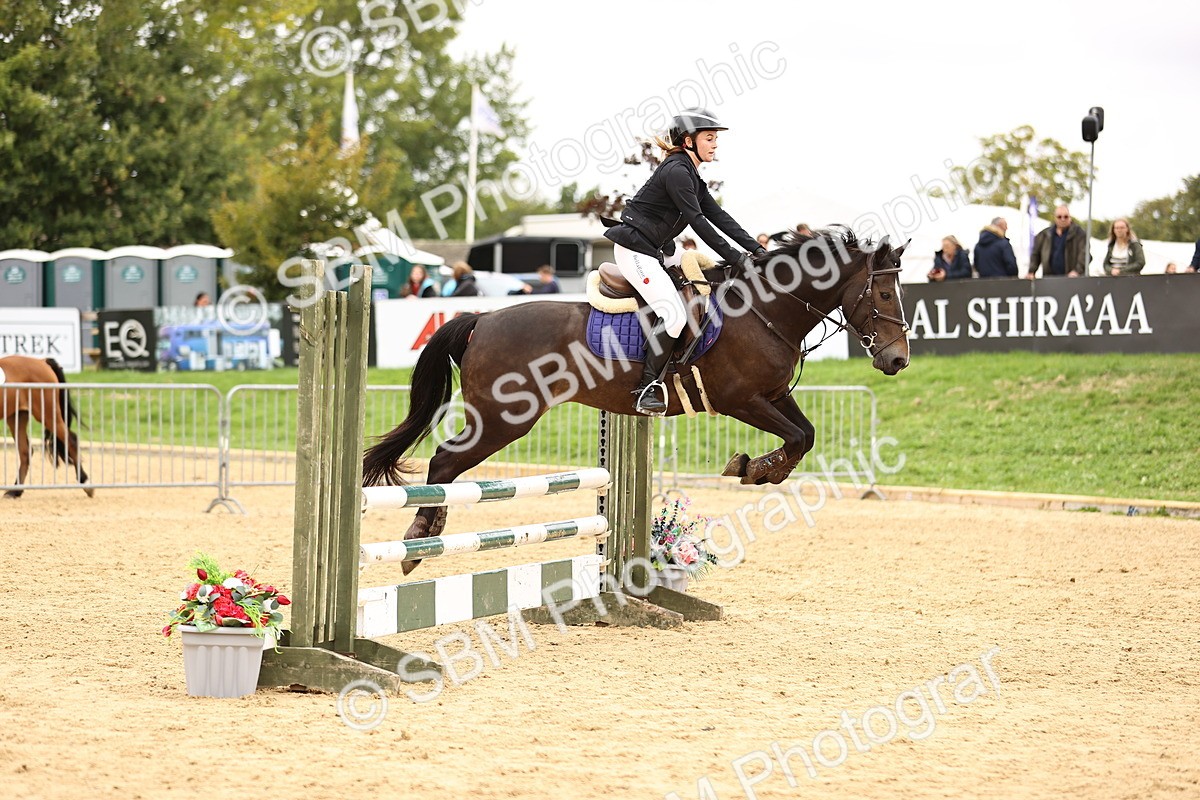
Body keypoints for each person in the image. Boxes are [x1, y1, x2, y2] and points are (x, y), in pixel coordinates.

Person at [603, 107, 764, 415]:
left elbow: (719, 216)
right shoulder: (677, 171)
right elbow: (698, 222)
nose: (715, 144)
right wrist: (735, 257)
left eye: (716, 138)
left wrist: (755, 250)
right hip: (635, 250)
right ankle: (646, 387)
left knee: (705, 270)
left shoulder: (690, 173)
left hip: (658, 248)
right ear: (688, 140)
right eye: (709, 138)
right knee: (674, 315)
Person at [1028, 205, 1088, 278]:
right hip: (1049, 280)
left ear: (1070, 218)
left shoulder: (1080, 234)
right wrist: (1031, 271)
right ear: (1055, 218)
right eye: (1059, 217)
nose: (1063, 219)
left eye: (1066, 217)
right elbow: (1035, 255)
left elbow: (1085, 255)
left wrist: (1077, 271)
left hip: (1072, 280)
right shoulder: (1044, 235)